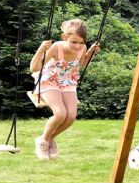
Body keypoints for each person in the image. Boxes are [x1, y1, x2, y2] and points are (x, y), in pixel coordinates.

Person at [30, 19, 100, 160]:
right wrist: (41, 49)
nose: (77, 46)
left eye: (81, 43)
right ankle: (43, 140)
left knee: (71, 117)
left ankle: (49, 138)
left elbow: (81, 64)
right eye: (73, 42)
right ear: (64, 37)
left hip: (67, 81)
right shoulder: (57, 47)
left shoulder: (82, 48)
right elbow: (34, 68)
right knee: (60, 114)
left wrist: (90, 52)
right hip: (49, 80)